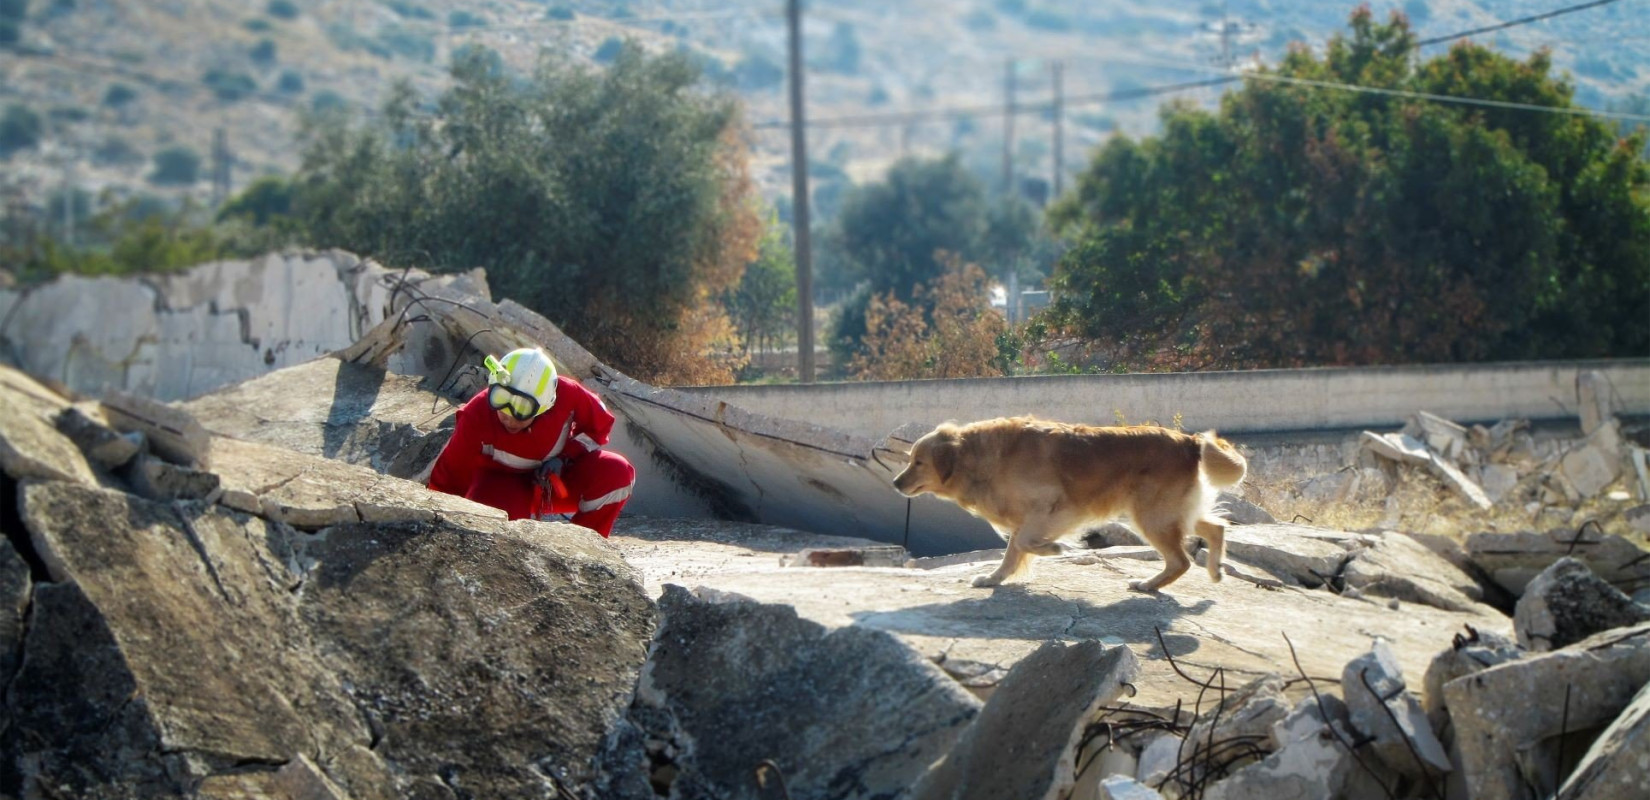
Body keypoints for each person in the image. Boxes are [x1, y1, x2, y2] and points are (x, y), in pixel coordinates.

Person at [427, 347, 635, 537]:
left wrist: (566, 457)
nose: (508, 416)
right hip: (500, 487)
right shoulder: (476, 414)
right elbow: (448, 479)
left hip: (553, 482)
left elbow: (599, 426)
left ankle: (584, 551)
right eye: (501, 399)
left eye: (521, 408)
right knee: (503, 534)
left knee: (617, 473)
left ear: (545, 405)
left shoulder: (569, 394)